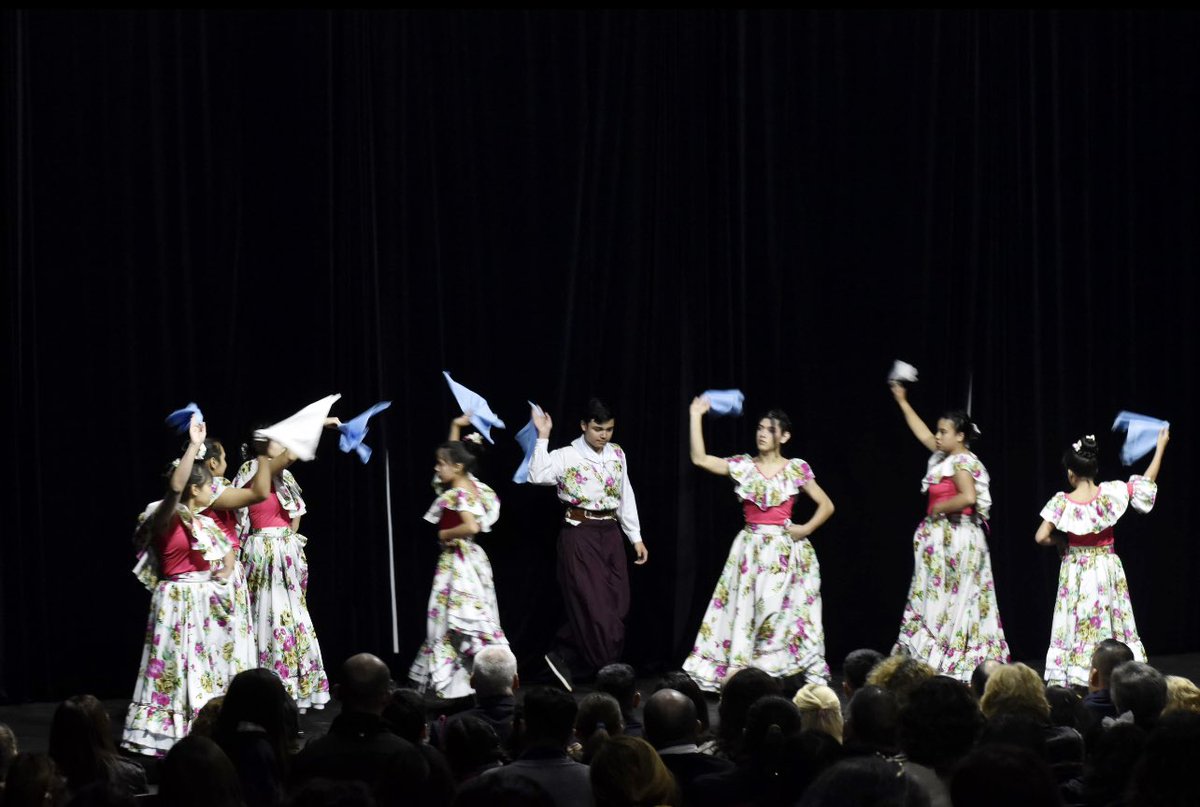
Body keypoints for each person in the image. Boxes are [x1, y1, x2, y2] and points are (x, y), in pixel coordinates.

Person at [683, 398, 836, 692]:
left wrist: (804, 529)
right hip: (750, 549)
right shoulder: (744, 466)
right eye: (760, 428)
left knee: (779, 613)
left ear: (784, 436)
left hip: (782, 550)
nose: (763, 433)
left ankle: (772, 671)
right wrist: (695, 416)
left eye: (770, 429)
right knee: (745, 611)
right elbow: (700, 459)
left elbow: (827, 505)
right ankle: (745, 674)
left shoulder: (795, 469)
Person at [121, 417, 243, 756]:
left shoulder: (204, 523)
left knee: (203, 670)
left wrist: (223, 573)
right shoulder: (163, 516)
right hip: (176, 600)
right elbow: (175, 489)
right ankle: (170, 737)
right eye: (207, 487)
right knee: (173, 667)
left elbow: (227, 553)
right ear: (195, 489)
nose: (212, 492)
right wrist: (194, 445)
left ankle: (205, 730)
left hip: (204, 605)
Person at [888, 381, 1010, 681]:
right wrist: (903, 401)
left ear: (960, 436)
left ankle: (951, 655)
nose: (937, 436)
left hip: (957, 537)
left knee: (956, 599)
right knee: (938, 597)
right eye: (938, 431)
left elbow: (968, 497)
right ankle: (935, 652)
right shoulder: (946, 456)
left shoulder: (961, 462)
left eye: (944, 432)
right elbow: (922, 434)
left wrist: (938, 508)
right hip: (943, 538)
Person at [528, 398, 648, 689]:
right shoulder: (567, 455)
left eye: (608, 429)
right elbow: (537, 476)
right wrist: (542, 436)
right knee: (594, 606)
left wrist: (636, 536)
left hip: (610, 532)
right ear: (584, 426)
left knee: (618, 606)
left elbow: (624, 492)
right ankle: (608, 674)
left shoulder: (616, 453)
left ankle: (564, 654)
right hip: (579, 533)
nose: (604, 435)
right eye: (597, 429)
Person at [1035, 431, 1168, 687]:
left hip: (1076, 569)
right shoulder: (1111, 493)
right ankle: (1112, 670)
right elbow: (1146, 483)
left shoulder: (1063, 502)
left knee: (1079, 618)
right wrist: (1160, 447)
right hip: (1105, 567)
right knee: (1109, 616)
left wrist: (1060, 542)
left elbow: (1041, 536)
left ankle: (1079, 675)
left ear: (1071, 473)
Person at [231, 417, 341, 710]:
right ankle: (269, 685)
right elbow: (291, 454)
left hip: (283, 549)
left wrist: (288, 538)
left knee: (292, 615)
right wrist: (317, 421)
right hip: (263, 549)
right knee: (269, 613)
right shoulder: (254, 468)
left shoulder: (283, 477)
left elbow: (296, 509)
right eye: (277, 439)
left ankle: (297, 685)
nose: (283, 445)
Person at [409, 414, 507, 699]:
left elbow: (472, 525)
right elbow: (454, 456)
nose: (437, 468)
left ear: (457, 467)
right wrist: (455, 426)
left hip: (458, 561)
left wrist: (444, 535)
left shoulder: (456, 494)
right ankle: (469, 680)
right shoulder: (472, 485)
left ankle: (457, 685)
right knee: (466, 617)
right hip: (473, 559)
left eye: (441, 464)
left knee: (452, 620)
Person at [48, 695, 147, 798]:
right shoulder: (130, 773)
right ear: (101, 726)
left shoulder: (45, 779)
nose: (108, 716)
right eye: (104, 714)